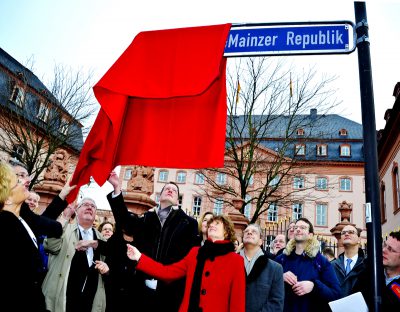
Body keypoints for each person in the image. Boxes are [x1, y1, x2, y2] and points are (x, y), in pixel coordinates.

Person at [107, 173, 199, 312]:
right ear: (159, 197)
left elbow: (190, 259)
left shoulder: (189, 223)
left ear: (178, 201)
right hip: (141, 289)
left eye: (174, 190)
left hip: (171, 291)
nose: (170, 190)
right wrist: (117, 188)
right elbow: (125, 222)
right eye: (166, 189)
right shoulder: (146, 218)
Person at [127, 215, 246, 312]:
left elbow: (237, 302)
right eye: (211, 224)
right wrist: (140, 257)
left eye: (217, 223)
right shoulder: (195, 253)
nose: (212, 225)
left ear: (226, 232)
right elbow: (167, 272)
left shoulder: (236, 260)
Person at [42, 198, 109, 312]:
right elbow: (50, 246)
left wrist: (106, 270)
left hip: (89, 302)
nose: (89, 207)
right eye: (85, 205)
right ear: (76, 211)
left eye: (92, 206)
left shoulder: (101, 239)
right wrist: (65, 218)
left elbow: (112, 265)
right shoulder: (63, 229)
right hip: (63, 299)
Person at [0, 162, 47, 311]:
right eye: (17, 182)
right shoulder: (6, 226)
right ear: (7, 198)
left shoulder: (18, 221)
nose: (25, 182)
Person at [275, 217, 340, 312]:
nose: (297, 229)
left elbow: (335, 294)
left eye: (302, 227)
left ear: (310, 235)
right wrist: (280, 277)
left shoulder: (321, 261)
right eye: (296, 227)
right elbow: (267, 286)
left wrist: (314, 286)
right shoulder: (281, 259)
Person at [239, 223, 284, 312]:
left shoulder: (275, 268)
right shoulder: (231, 263)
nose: (249, 233)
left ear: (260, 241)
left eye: (254, 232)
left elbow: (276, 303)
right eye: (246, 231)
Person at [331, 224, 366, 297]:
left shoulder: (367, 264)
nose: (346, 234)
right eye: (343, 233)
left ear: (359, 239)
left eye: (351, 232)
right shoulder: (332, 265)